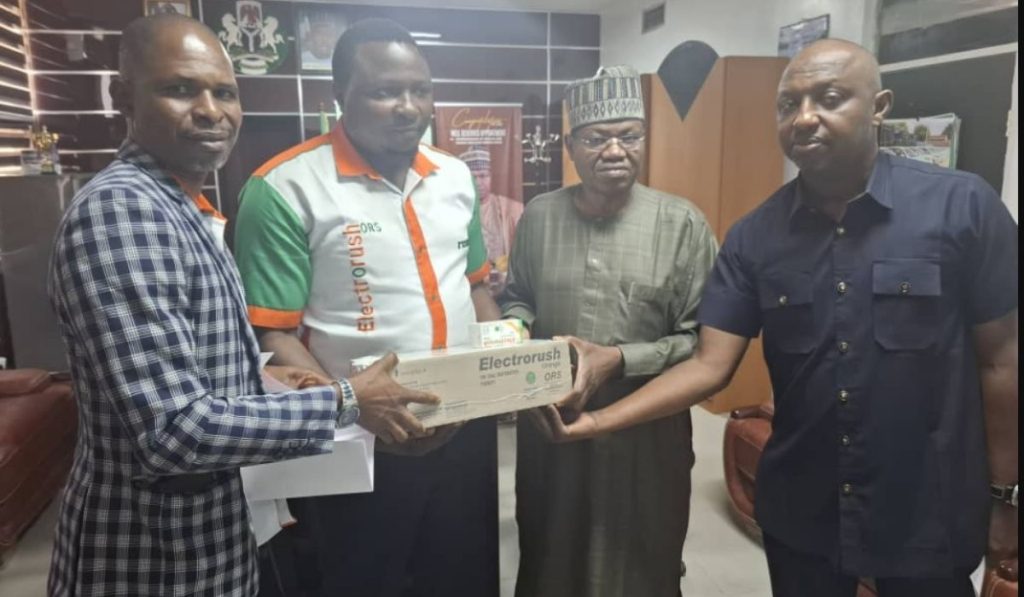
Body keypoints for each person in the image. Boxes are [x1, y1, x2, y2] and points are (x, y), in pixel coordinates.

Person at [543, 40, 1018, 596]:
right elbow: (708, 365)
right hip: (804, 511)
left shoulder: (963, 208)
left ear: (880, 105)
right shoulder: (755, 236)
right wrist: (600, 420)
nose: (805, 117)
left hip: (925, 508)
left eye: (830, 97)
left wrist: (1004, 495)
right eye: (787, 104)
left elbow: (1001, 364)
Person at [46, 15, 438, 597]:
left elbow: (183, 369)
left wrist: (262, 376)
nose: (210, 110)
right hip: (152, 558)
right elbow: (172, 428)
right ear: (122, 96)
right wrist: (347, 400)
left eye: (224, 92)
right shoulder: (124, 214)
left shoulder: (180, 206)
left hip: (212, 537)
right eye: (180, 89)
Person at [233, 18, 502, 597]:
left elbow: (476, 289)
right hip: (358, 442)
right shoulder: (284, 188)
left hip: (464, 428)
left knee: (463, 573)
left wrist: (498, 377)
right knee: (361, 579)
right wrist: (355, 408)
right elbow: (271, 335)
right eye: (384, 91)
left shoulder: (454, 177)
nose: (408, 107)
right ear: (339, 97)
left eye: (421, 89)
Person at [500, 65, 718, 597]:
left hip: (648, 431)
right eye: (597, 138)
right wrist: (515, 329)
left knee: (642, 558)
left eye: (630, 136)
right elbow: (517, 297)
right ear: (571, 146)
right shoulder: (538, 217)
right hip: (553, 424)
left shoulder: (683, 224)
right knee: (550, 553)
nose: (615, 150)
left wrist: (620, 360)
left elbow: (701, 343)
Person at [459, 146, 524, 294]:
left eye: (483, 176)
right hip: (469, 288)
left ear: (491, 177)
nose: (478, 182)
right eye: (473, 177)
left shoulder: (512, 209)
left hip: (507, 287)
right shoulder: (455, 212)